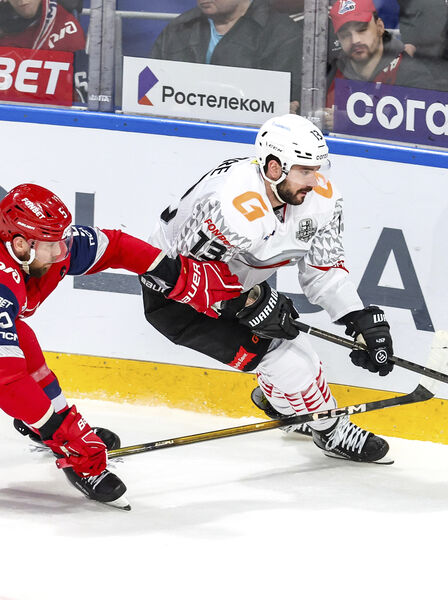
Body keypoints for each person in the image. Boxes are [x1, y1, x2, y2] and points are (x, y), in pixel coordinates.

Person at [0, 184, 242, 510]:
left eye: (61, 239)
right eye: (51, 244)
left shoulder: (33, 244)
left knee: (19, 348)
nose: (61, 252)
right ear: (20, 244)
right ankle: (64, 444)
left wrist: (178, 275)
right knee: (18, 348)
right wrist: (65, 433)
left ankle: (48, 424)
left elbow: (116, 245)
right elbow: (2, 381)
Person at [140, 113, 395, 464]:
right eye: (304, 171)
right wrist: (251, 303)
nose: (315, 181)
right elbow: (185, 278)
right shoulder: (230, 205)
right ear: (274, 167)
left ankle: (283, 404)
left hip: (234, 286)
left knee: (290, 355)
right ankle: (330, 431)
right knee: (294, 363)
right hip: (176, 297)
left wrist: (357, 315)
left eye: (317, 169)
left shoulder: (319, 198)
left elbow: (323, 268)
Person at [151, 0, 304, 108]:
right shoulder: (179, 27)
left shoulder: (282, 33)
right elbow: (148, 85)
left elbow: (284, 102)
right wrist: (169, 107)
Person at [0, 0, 88, 101]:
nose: (22, 1)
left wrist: (27, 87)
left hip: (36, 114)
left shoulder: (67, 29)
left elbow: (81, 97)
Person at [326, 0, 434, 108]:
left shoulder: (414, 76)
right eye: (345, 35)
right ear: (338, 38)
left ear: (380, 27)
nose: (355, 40)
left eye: (362, 29)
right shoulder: (330, 73)